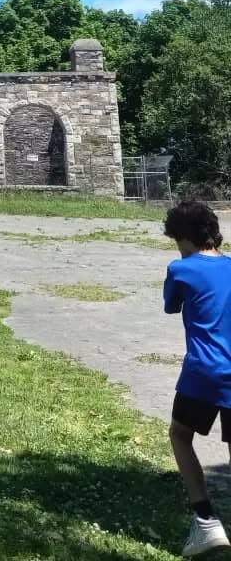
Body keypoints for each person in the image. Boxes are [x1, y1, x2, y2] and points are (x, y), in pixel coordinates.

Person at [163, 200, 231, 556]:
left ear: (184, 237)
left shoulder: (181, 268)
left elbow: (172, 305)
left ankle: (205, 521)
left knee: (180, 434)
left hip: (204, 371)